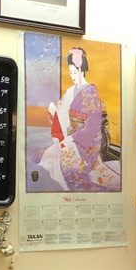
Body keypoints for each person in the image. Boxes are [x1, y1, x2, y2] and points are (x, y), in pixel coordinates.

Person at [34, 47, 110, 191]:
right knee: (48, 155)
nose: (73, 76)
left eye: (75, 72)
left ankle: (72, 180)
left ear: (83, 70)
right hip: (70, 136)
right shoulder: (70, 91)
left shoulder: (90, 92)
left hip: (87, 142)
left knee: (59, 158)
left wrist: (73, 139)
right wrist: (54, 110)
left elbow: (93, 125)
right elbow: (61, 111)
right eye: (70, 73)